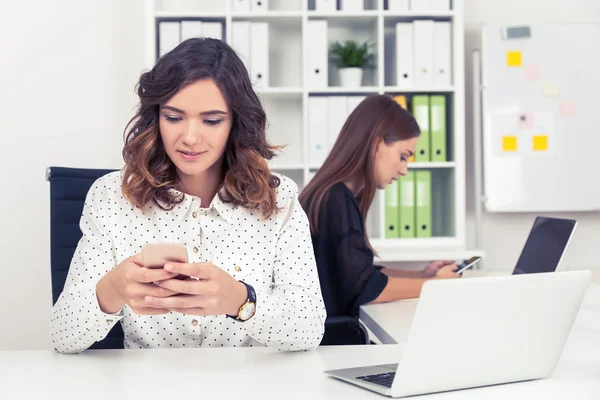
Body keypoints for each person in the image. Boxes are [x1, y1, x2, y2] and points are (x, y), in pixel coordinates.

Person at [50, 38, 326, 353]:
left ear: (236, 123)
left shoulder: (279, 199)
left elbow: (309, 329)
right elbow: (62, 337)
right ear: (155, 118)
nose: (190, 137)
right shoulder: (111, 196)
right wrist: (111, 290)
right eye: (173, 117)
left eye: (211, 120)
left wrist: (241, 301)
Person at [299, 94, 459, 319]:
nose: (404, 170)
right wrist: (433, 285)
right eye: (403, 157)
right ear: (376, 144)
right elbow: (364, 288)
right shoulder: (337, 199)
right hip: (336, 344)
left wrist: (421, 275)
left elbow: (356, 273)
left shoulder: (331, 194)